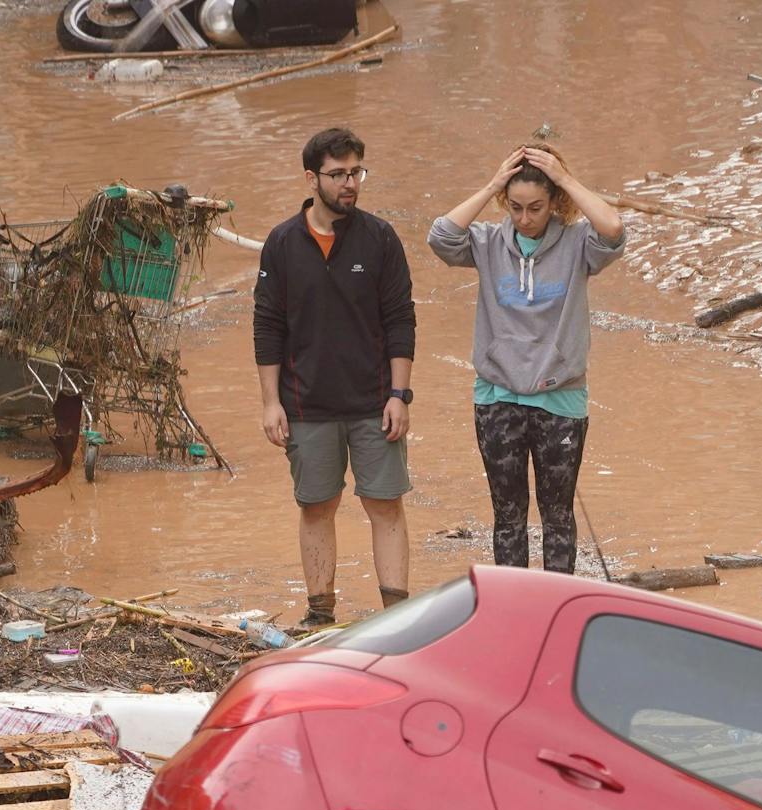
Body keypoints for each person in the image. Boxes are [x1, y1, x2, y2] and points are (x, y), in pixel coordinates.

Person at [428, 142, 624, 575]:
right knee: (508, 516)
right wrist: (492, 184)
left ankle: (557, 609)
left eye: (536, 207)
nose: (524, 218)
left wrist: (566, 178)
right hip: (497, 398)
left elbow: (613, 229)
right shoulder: (486, 243)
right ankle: (513, 608)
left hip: (561, 400)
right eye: (514, 206)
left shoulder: (578, 244)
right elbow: (441, 236)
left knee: (558, 517)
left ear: (555, 202)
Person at [253, 125, 416, 628]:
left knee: (384, 504)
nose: (351, 183)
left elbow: (400, 319)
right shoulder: (282, 243)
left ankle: (398, 617)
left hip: (373, 402)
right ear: (312, 178)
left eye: (357, 172)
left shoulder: (380, 238)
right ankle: (320, 615)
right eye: (339, 174)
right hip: (306, 405)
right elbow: (267, 325)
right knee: (317, 506)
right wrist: (269, 402)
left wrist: (399, 394)